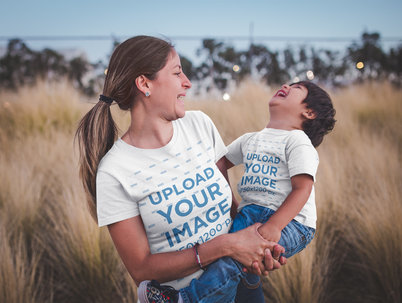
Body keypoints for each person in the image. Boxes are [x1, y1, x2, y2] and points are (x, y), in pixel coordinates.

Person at [75, 35, 285, 303]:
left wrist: (260, 249)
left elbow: (232, 210)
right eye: (177, 72)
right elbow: (141, 269)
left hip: (242, 280)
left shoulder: (200, 124)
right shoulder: (114, 171)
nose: (188, 82)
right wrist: (224, 247)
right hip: (187, 297)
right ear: (144, 83)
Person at [137, 81, 336, 303]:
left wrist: (274, 226)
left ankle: (184, 299)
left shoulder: (298, 141)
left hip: (293, 222)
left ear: (309, 112)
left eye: (296, 88)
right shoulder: (251, 139)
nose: (285, 85)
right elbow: (220, 163)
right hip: (250, 213)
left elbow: (303, 189)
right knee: (228, 254)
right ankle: (247, 279)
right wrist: (230, 203)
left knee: (232, 261)